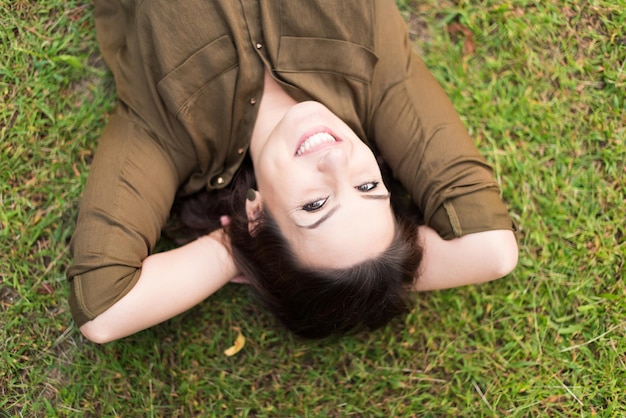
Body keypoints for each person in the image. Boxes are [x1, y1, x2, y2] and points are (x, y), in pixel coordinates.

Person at [68, 0, 518, 343]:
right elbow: (491, 249)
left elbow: (104, 311)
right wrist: (368, 272)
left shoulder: (168, 128)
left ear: (258, 215)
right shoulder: (377, 76)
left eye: (316, 204)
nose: (340, 160)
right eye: (367, 186)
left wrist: (236, 250)